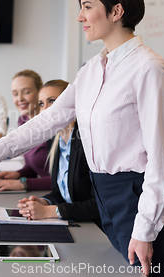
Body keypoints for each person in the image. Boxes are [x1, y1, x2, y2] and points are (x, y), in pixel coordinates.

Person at [0, 0, 164, 276]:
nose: (80, 17)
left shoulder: (149, 70)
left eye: (87, 7)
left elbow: (160, 160)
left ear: (116, 12)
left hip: (136, 194)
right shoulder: (91, 70)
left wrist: (145, 230)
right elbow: (48, 120)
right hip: (102, 193)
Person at [16, 80, 101, 227]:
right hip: (75, 223)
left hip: (96, 228)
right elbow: (60, 192)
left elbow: (97, 205)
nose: (46, 110)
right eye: (42, 104)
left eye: (52, 101)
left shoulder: (87, 143)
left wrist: (49, 211)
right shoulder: (55, 141)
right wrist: (43, 202)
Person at [0, 70, 52, 191]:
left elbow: (64, 180)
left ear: (40, 93)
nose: (20, 98)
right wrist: (19, 174)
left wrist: (23, 184)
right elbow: (36, 166)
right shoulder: (23, 120)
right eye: (15, 94)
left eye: (26, 92)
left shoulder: (53, 126)